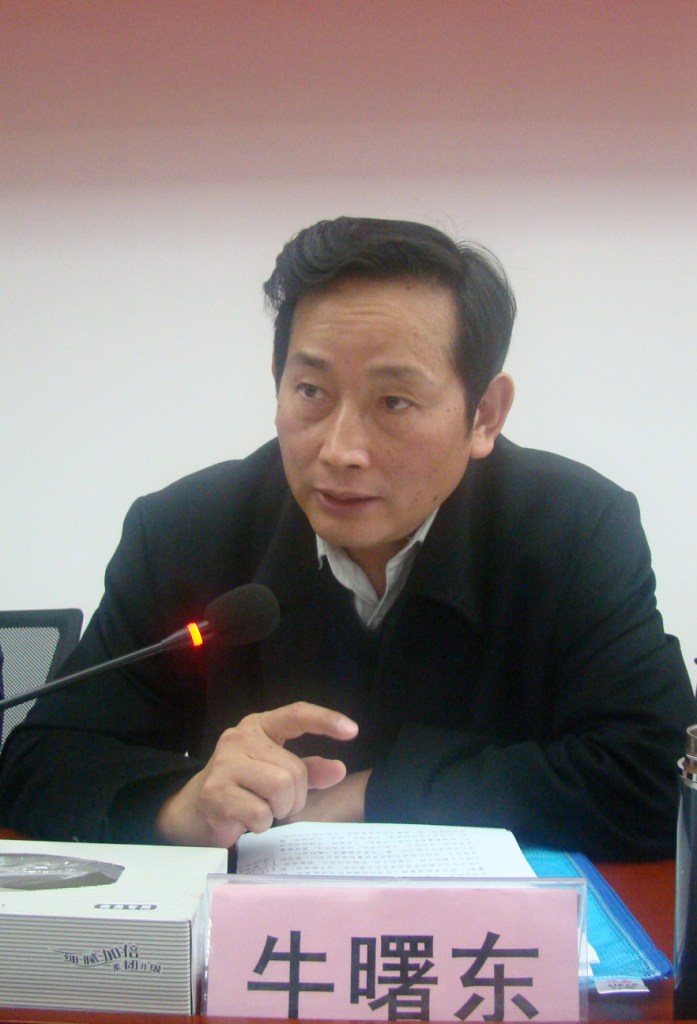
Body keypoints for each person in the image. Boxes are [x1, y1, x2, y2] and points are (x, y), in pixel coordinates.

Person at [0, 216, 693, 860]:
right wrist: (181, 804)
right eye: (311, 391)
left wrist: (376, 793)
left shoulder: (574, 530)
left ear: (484, 414)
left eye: (393, 402)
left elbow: (659, 772)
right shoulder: (185, 531)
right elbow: (43, 757)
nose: (339, 450)